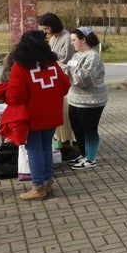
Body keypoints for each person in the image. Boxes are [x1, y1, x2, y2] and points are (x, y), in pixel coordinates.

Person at [4, 30, 70, 200]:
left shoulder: (20, 67)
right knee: (46, 148)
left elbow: (15, 95)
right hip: (53, 113)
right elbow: (65, 86)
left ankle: (38, 186)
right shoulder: (52, 64)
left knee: (34, 150)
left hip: (33, 115)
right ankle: (48, 183)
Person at [66, 27, 107, 170]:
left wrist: (67, 69)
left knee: (89, 129)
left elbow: (82, 79)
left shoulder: (93, 57)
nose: (72, 43)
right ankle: (83, 154)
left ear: (83, 39)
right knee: (77, 128)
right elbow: (69, 73)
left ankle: (90, 158)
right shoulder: (76, 55)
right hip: (74, 99)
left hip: (91, 101)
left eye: (74, 40)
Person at [39, 13, 76, 159]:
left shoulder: (66, 38)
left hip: (65, 79)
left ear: (53, 26)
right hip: (54, 79)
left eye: (47, 28)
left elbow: (66, 61)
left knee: (65, 113)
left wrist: (52, 64)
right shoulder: (53, 38)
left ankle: (68, 141)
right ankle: (59, 138)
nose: (45, 31)